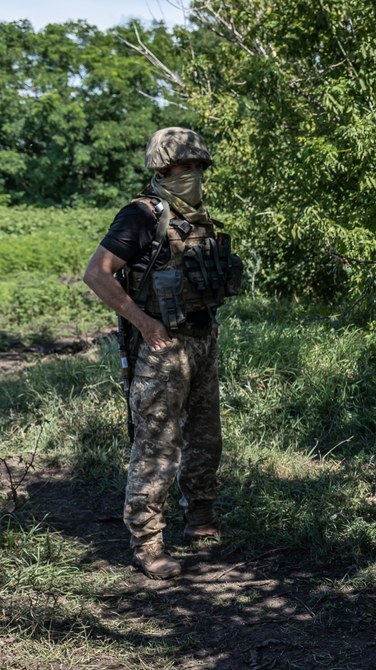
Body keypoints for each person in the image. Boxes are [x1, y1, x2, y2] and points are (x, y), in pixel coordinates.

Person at [83, 127, 242, 580]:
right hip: (161, 346)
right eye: (182, 166)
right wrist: (144, 322)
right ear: (161, 168)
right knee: (157, 445)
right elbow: (97, 273)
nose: (191, 174)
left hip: (201, 340)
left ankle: (201, 520)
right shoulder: (140, 216)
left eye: (197, 166)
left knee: (206, 436)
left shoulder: (199, 217)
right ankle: (148, 543)